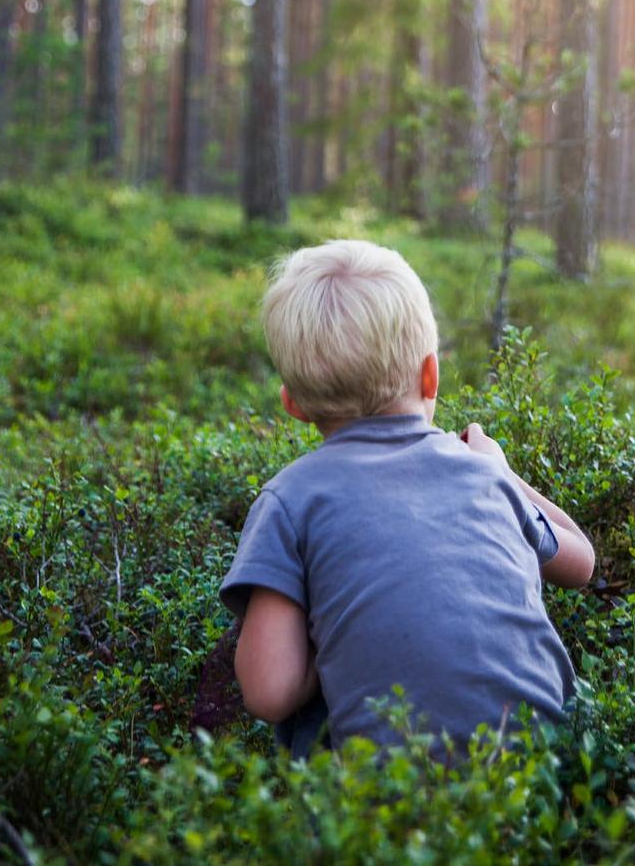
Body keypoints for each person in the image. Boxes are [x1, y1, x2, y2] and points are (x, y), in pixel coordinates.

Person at [219, 239, 595, 754]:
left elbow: (268, 692)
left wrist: (338, 633)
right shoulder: (483, 474)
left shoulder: (291, 499)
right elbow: (581, 562)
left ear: (294, 405)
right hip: (545, 784)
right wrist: (503, 471)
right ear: (430, 374)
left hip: (388, 812)